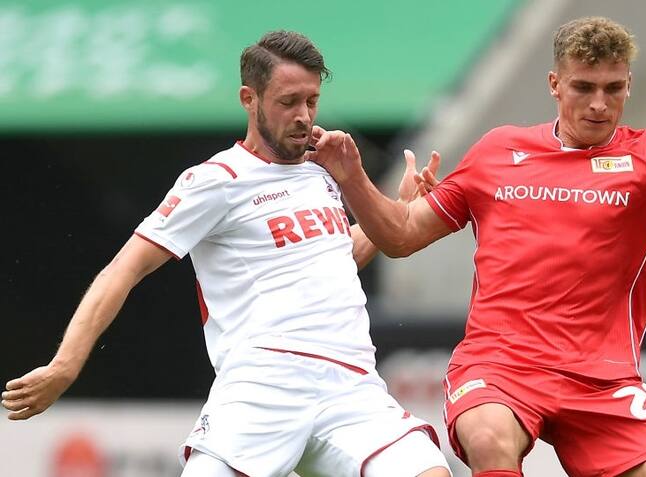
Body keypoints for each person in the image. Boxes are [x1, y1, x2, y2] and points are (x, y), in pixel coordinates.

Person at [309, 17, 646, 477]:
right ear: (554, 84)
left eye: (614, 89)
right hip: (499, 364)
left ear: (628, 86)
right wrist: (353, 179)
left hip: (603, 380)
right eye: (584, 87)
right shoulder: (499, 151)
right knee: (488, 435)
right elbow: (400, 236)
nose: (600, 105)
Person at [2, 30, 451, 477]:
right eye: (288, 101)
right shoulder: (216, 180)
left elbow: (334, 259)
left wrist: (397, 210)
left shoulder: (323, 171)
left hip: (351, 386)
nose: (304, 116)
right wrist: (65, 365)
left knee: (431, 473)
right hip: (263, 385)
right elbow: (123, 270)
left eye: (311, 101)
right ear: (248, 99)